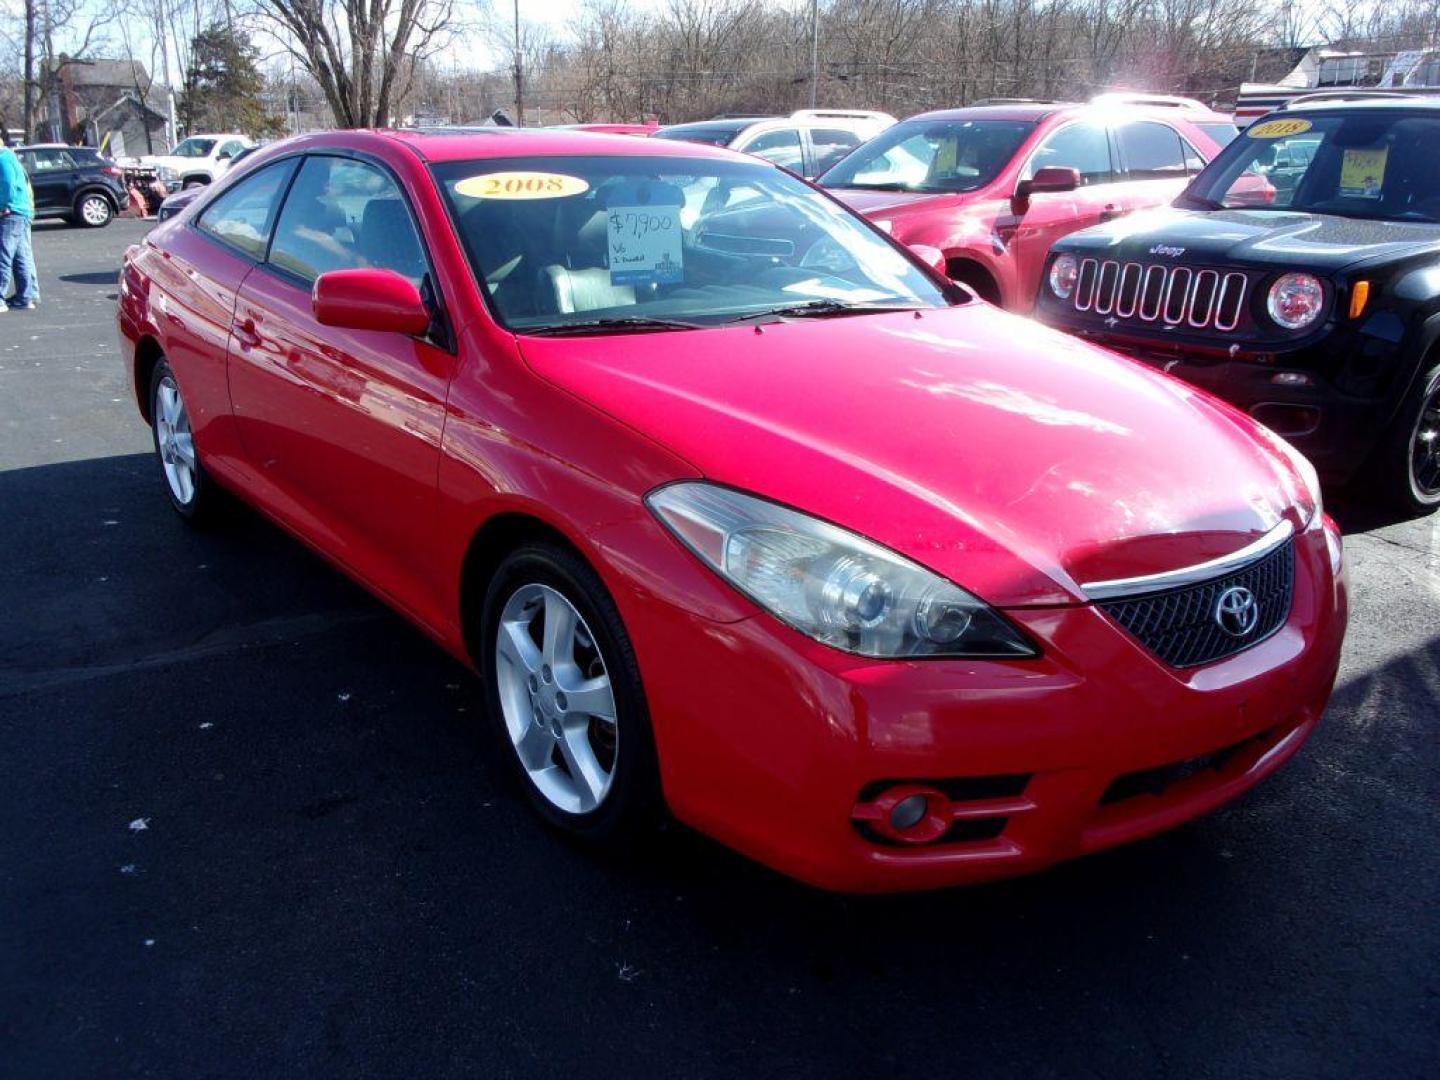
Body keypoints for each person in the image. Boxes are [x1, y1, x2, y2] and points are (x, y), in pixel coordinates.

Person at [0, 133, 38, 313]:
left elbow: (8, 184)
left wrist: (2, 205)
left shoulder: (3, 158)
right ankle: (25, 297)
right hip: (22, 211)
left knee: (3, 255)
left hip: (12, 211)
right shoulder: (9, 156)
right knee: (20, 256)